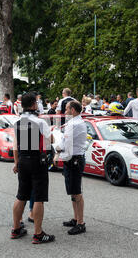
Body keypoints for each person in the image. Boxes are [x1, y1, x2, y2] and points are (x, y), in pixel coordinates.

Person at [12, 93, 55, 244]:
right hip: (37, 160)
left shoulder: (18, 122)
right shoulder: (40, 122)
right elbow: (51, 140)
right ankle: (38, 233)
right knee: (38, 197)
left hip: (23, 160)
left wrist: (16, 163)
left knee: (21, 195)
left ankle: (16, 228)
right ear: (33, 105)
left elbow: (16, 147)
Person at [55, 100, 88, 235]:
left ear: (73, 110)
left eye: (67, 109)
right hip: (74, 158)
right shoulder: (74, 122)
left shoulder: (74, 124)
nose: (65, 111)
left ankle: (80, 223)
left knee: (76, 191)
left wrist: (56, 153)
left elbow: (65, 143)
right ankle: (76, 219)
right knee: (73, 191)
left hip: (74, 159)